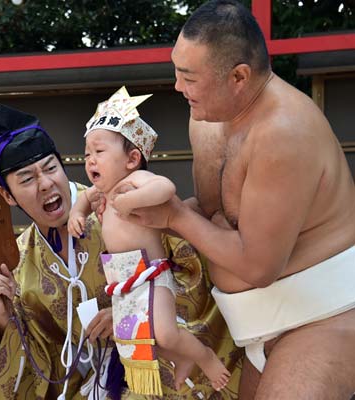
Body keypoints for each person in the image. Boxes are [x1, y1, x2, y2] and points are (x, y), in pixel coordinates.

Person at [117, 1, 355, 398]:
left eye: (189, 77)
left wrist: (175, 214)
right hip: (250, 325)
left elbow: (258, 265)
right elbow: (216, 217)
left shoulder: (284, 130)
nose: (177, 87)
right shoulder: (205, 117)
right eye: (177, 71)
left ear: (239, 77)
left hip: (321, 317)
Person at [0, 103, 241, 399]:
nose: (45, 184)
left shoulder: (121, 205)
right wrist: (5, 320)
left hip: (157, 371)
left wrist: (129, 314)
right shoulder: (21, 263)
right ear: (7, 195)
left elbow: (191, 273)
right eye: (27, 179)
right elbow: (37, 368)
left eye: (50, 168)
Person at [68, 87, 230, 394]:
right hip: (121, 278)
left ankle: (204, 356)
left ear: (131, 159)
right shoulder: (100, 193)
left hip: (151, 274)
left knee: (166, 335)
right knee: (146, 341)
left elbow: (165, 189)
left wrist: (131, 201)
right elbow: (82, 202)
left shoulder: (134, 181)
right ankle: (184, 360)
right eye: (87, 153)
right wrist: (76, 215)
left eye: (99, 152)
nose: (90, 160)